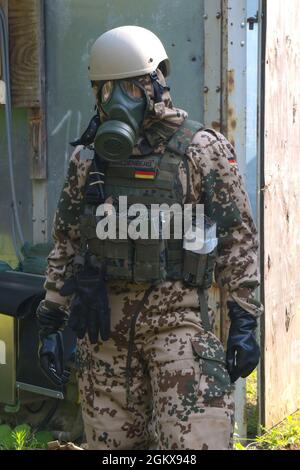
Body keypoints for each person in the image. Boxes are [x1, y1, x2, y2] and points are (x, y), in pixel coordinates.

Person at [36, 25, 262, 450]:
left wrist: (244, 321)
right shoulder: (88, 160)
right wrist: (52, 321)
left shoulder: (201, 150)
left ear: (157, 83)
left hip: (178, 323)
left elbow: (237, 238)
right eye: (105, 91)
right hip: (106, 333)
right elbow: (66, 241)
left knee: (195, 447)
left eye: (130, 88)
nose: (116, 101)